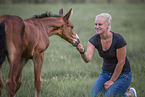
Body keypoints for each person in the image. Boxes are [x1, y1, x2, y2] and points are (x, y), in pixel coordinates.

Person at [76, 13, 137, 97]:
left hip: (123, 74)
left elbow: (121, 62)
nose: (97, 27)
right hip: (105, 73)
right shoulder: (93, 40)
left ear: (108, 25)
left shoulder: (118, 39)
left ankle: (129, 94)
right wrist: (82, 52)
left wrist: (112, 80)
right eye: (95, 24)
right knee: (93, 95)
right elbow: (88, 59)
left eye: (100, 24)